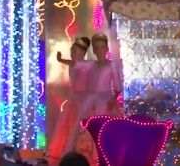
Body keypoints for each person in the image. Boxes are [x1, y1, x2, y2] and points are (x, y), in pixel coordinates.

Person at [72, 32, 125, 164]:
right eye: (97, 47)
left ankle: (104, 159)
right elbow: (78, 64)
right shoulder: (92, 65)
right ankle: (90, 160)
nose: (100, 50)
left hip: (106, 102)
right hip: (91, 102)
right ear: (94, 50)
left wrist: (112, 100)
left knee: (105, 134)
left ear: (107, 49)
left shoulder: (112, 65)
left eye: (102, 47)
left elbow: (118, 86)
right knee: (88, 131)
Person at [46, 36, 92, 164]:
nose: (72, 53)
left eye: (75, 51)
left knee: (82, 128)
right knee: (69, 128)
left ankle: (83, 156)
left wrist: (61, 59)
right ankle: (68, 156)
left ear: (83, 53)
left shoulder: (85, 64)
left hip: (83, 102)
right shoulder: (74, 64)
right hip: (73, 101)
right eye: (72, 51)